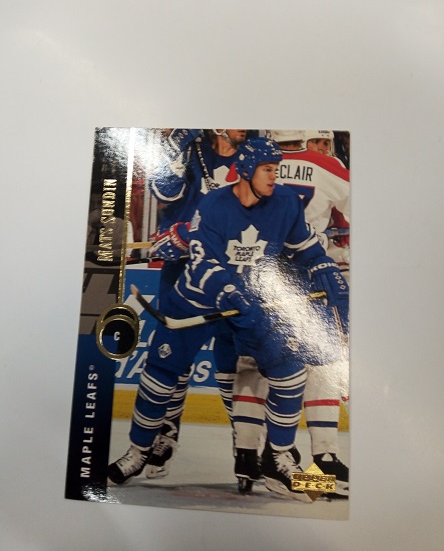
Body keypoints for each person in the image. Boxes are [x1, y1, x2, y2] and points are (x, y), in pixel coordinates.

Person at [108, 137, 349, 498]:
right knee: (214, 373)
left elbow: (306, 245)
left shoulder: (283, 199)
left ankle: (271, 458)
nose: (275, 175)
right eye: (268, 169)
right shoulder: (221, 203)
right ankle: (298, 460)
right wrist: (228, 289)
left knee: (284, 371)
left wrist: (323, 264)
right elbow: (203, 261)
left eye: (276, 168)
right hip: (222, 297)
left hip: (262, 295)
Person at [230, 129, 350, 496]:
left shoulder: (249, 166)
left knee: (252, 363)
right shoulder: (329, 167)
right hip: (307, 279)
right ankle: (323, 459)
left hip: (257, 277)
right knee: (321, 363)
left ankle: (246, 455)